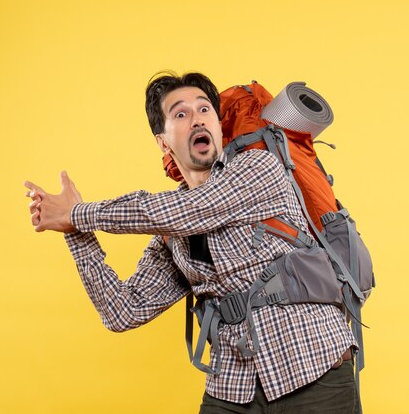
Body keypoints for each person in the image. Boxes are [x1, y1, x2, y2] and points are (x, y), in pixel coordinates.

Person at [24, 72, 360, 413]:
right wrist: (74, 232)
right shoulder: (172, 233)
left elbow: (193, 209)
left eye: (205, 110)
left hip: (315, 368)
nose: (196, 118)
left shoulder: (258, 168)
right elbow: (123, 311)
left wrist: (78, 213)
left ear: (216, 124)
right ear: (163, 142)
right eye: (180, 114)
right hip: (233, 385)